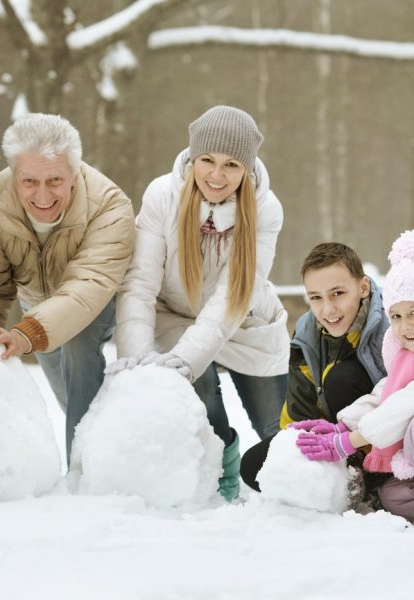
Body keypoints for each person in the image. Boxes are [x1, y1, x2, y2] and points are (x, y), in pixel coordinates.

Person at [109, 105, 290, 501]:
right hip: (175, 315)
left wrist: (193, 354)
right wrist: (138, 362)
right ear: (192, 158)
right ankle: (221, 477)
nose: (216, 175)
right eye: (206, 160)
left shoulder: (266, 209)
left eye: (231, 165)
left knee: (276, 426)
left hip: (247, 320)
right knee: (199, 387)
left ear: (247, 168)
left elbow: (232, 298)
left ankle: (300, 489)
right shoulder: (162, 196)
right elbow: (139, 284)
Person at [0, 113, 135, 462]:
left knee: (77, 349)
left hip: (95, 302)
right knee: (71, 397)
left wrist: (26, 333)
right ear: (14, 174)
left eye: (55, 180)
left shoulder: (109, 204)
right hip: (35, 306)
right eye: (29, 180)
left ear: (75, 174)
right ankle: (112, 436)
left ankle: (84, 469)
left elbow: (87, 285)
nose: (42, 194)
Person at [240, 242, 388, 492]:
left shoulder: (391, 324)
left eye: (338, 293)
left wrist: (350, 441)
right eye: (316, 298)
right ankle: (336, 479)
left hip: (378, 436)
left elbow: (398, 400)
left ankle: (366, 478)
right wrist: (294, 444)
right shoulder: (308, 330)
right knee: (254, 466)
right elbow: (299, 402)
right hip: (329, 431)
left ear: (363, 287)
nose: (327, 309)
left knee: (341, 377)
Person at [296, 230, 414, 520]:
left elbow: (401, 407)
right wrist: (342, 426)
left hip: (396, 436)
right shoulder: (404, 355)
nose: (404, 326)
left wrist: (351, 441)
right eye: (396, 316)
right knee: (393, 497)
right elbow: (385, 395)